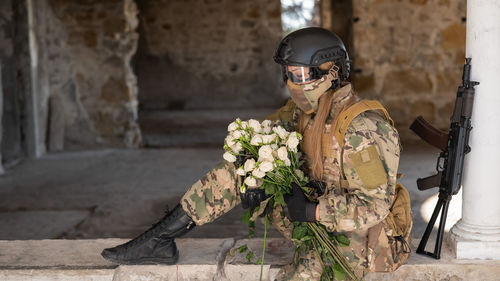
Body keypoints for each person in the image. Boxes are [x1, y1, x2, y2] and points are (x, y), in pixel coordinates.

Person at [101, 27, 412, 280]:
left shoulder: (363, 130)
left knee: (306, 274)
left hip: (359, 238)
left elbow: (374, 206)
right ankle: (161, 237)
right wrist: (251, 178)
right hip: (310, 214)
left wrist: (313, 212)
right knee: (242, 169)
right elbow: (259, 140)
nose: (293, 84)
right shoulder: (304, 112)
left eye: (301, 76)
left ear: (332, 74)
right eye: (289, 75)